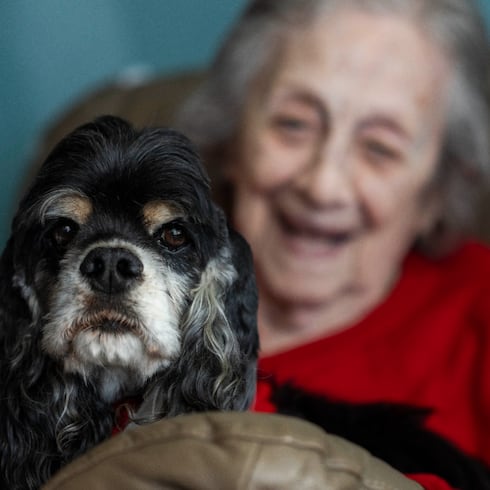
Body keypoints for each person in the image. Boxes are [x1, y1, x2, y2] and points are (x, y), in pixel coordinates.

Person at [176, 0, 490, 489]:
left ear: (437, 191)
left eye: (379, 148)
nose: (324, 185)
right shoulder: (117, 279)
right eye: (294, 124)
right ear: (232, 136)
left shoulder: (479, 322)